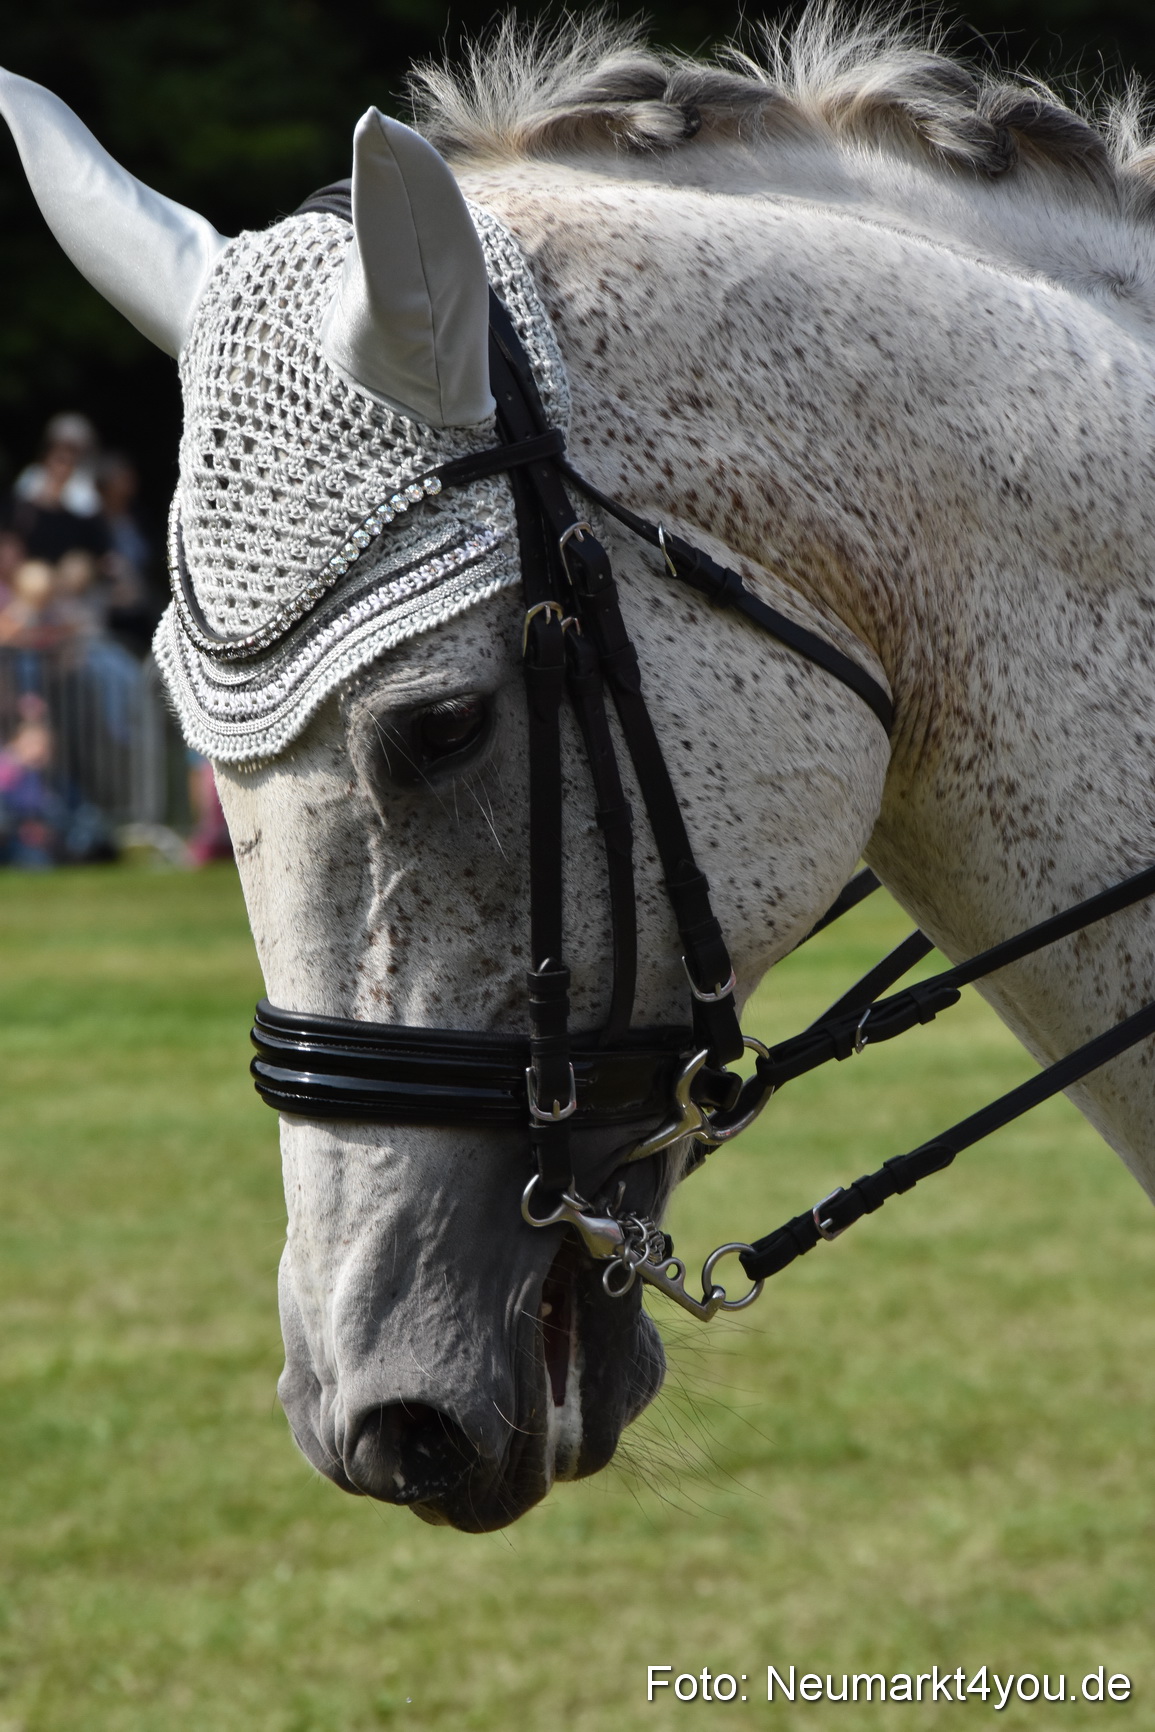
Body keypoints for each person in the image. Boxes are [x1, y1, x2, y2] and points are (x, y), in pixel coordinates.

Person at [9, 413, 110, 565]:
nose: (62, 467)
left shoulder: (85, 491)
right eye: (58, 458)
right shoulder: (29, 480)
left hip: (71, 563)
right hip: (29, 560)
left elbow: (96, 540)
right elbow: (14, 529)